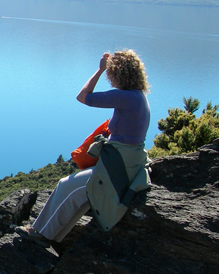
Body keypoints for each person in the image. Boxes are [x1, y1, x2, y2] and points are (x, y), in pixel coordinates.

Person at [17, 49, 151, 246]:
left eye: (111, 74)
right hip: (125, 161)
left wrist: (99, 71)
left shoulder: (126, 98)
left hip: (120, 165)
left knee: (72, 188)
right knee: (73, 188)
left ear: (119, 74)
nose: (110, 79)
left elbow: (83, 96)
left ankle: (43, 235)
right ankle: (46, 233)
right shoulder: (136, 96)